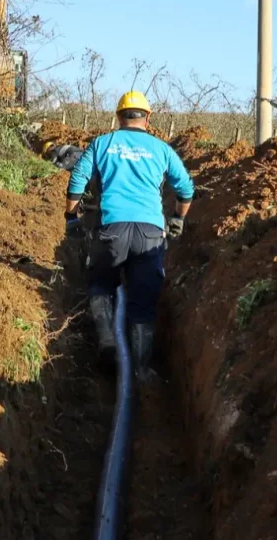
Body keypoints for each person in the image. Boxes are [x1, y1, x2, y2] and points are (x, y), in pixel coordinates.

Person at [63, 91, 194, 382]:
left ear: (119, 117)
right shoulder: (161, 149)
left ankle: (107, 338)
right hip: (150, 233)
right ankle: (142, 369)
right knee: (143, 303)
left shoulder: (103, 143)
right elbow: (186, 190)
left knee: (100, 283)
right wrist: (178, 220)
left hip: (111, 228)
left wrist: (71, 218)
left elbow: (77, 179)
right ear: (147, 118)